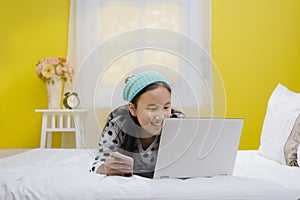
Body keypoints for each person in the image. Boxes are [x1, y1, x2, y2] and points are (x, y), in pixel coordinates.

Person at [90, 71, 184, 178]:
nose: (160, 116)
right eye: (152, 109)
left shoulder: (178, 121)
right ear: (133, 109)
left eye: (166, 107)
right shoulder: (118, 122)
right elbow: (96, 165)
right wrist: (106, 168)